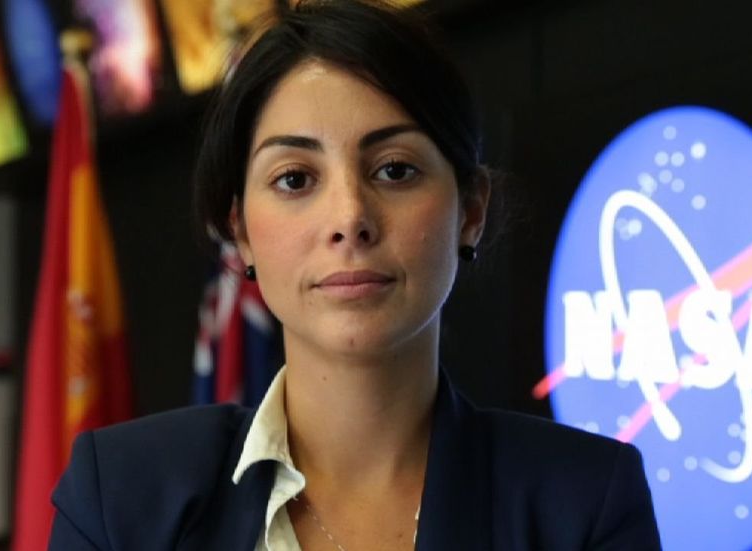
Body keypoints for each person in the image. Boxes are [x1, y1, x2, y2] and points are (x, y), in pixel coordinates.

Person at [48, 1, 661, 549]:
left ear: (470, 211)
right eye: (295, 179)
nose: (349, 218)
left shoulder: (585, 502)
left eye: (395, 170)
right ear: (239, 229)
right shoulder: (120, 498)